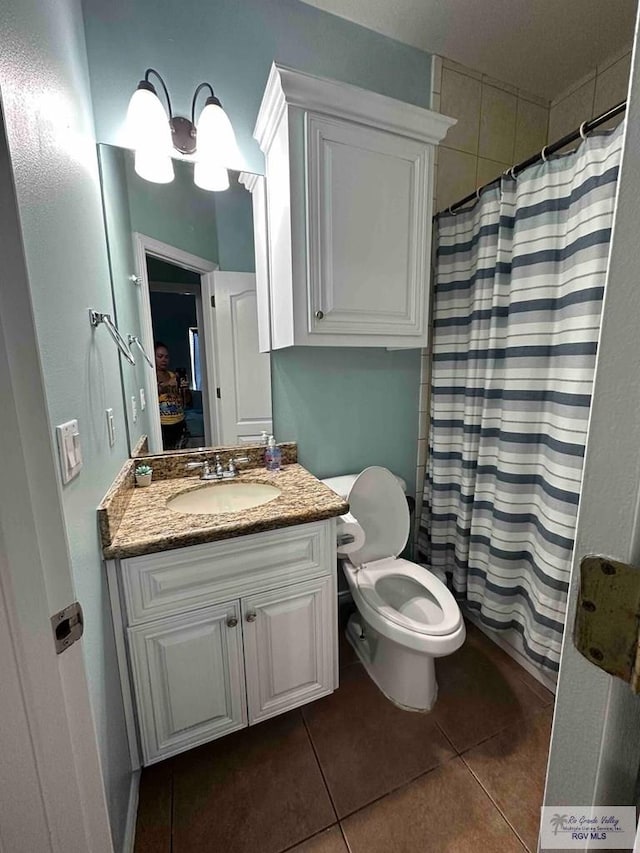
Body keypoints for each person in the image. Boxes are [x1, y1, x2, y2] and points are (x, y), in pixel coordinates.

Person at [154, 341, 187, 449]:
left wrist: (184, 389)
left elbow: (186, 401)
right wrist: (167, 384)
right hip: (162, 425)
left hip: (179, 421)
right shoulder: (151, 377)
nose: (164, 360)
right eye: (160, 356)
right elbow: (152, 393)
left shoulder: (173, 376)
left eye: (166, 357)